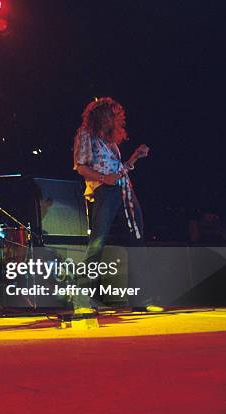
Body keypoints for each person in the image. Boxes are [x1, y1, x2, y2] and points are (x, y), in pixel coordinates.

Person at [72, 97, 162, 313]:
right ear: (102, 115)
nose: (117, 119)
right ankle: (81, 300)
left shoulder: (110, 140)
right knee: (97, 243)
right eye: (113, 115)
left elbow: (119, 169)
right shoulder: (86, 134)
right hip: (105, 190)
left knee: (137, 241)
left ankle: (140, 301)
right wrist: (103, 179)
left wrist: (135, 157)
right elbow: (80, 166)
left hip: (125, 189)